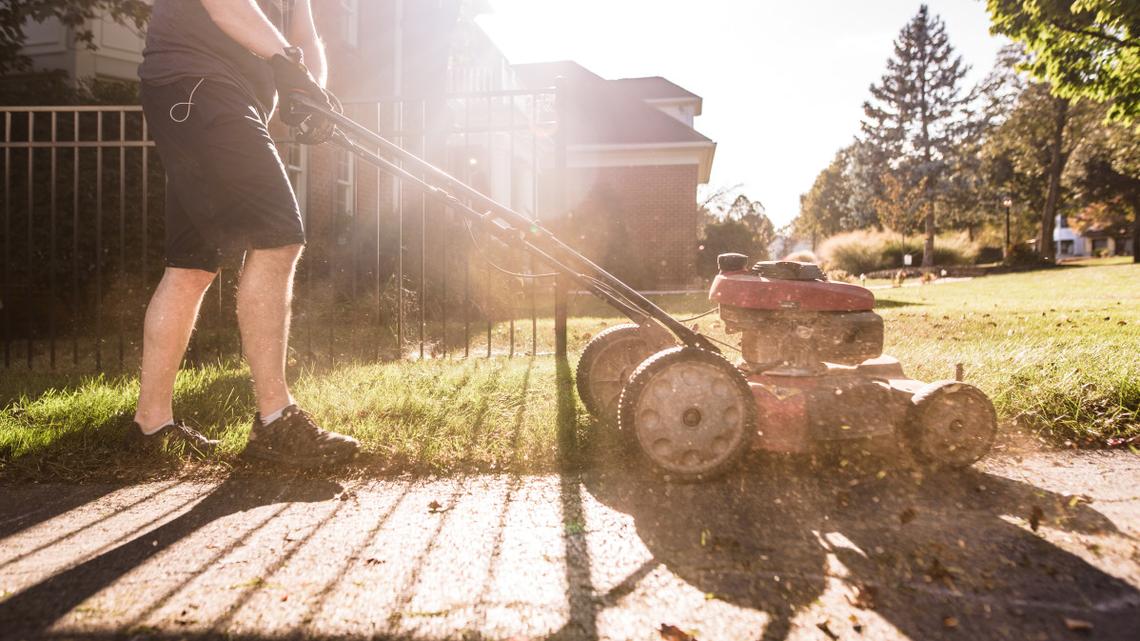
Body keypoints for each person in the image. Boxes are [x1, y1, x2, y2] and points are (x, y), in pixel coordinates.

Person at [128, 0, 359, 466]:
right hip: (199, 85)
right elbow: (227, 7)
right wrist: (286, 65)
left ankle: (151, 426)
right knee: (279, 236)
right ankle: (276, 420)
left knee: (191, 264)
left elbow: (304, 38)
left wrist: (311, 92)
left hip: (212, 95)